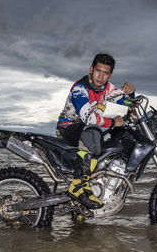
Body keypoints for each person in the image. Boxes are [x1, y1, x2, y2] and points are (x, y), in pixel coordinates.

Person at [56, 53, 135, 209]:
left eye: (106, 73)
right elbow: (88, 118)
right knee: (92, 131)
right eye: (98, 71)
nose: (101, 76)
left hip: (88, 130)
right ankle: (78, 186)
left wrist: (130, 93)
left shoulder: (109, 90)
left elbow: (127, 103)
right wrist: (113, 122)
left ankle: (97, 179)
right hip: (68, 128)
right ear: (91, 69)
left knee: (115, 135)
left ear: (110, 75)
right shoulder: (80, 88)